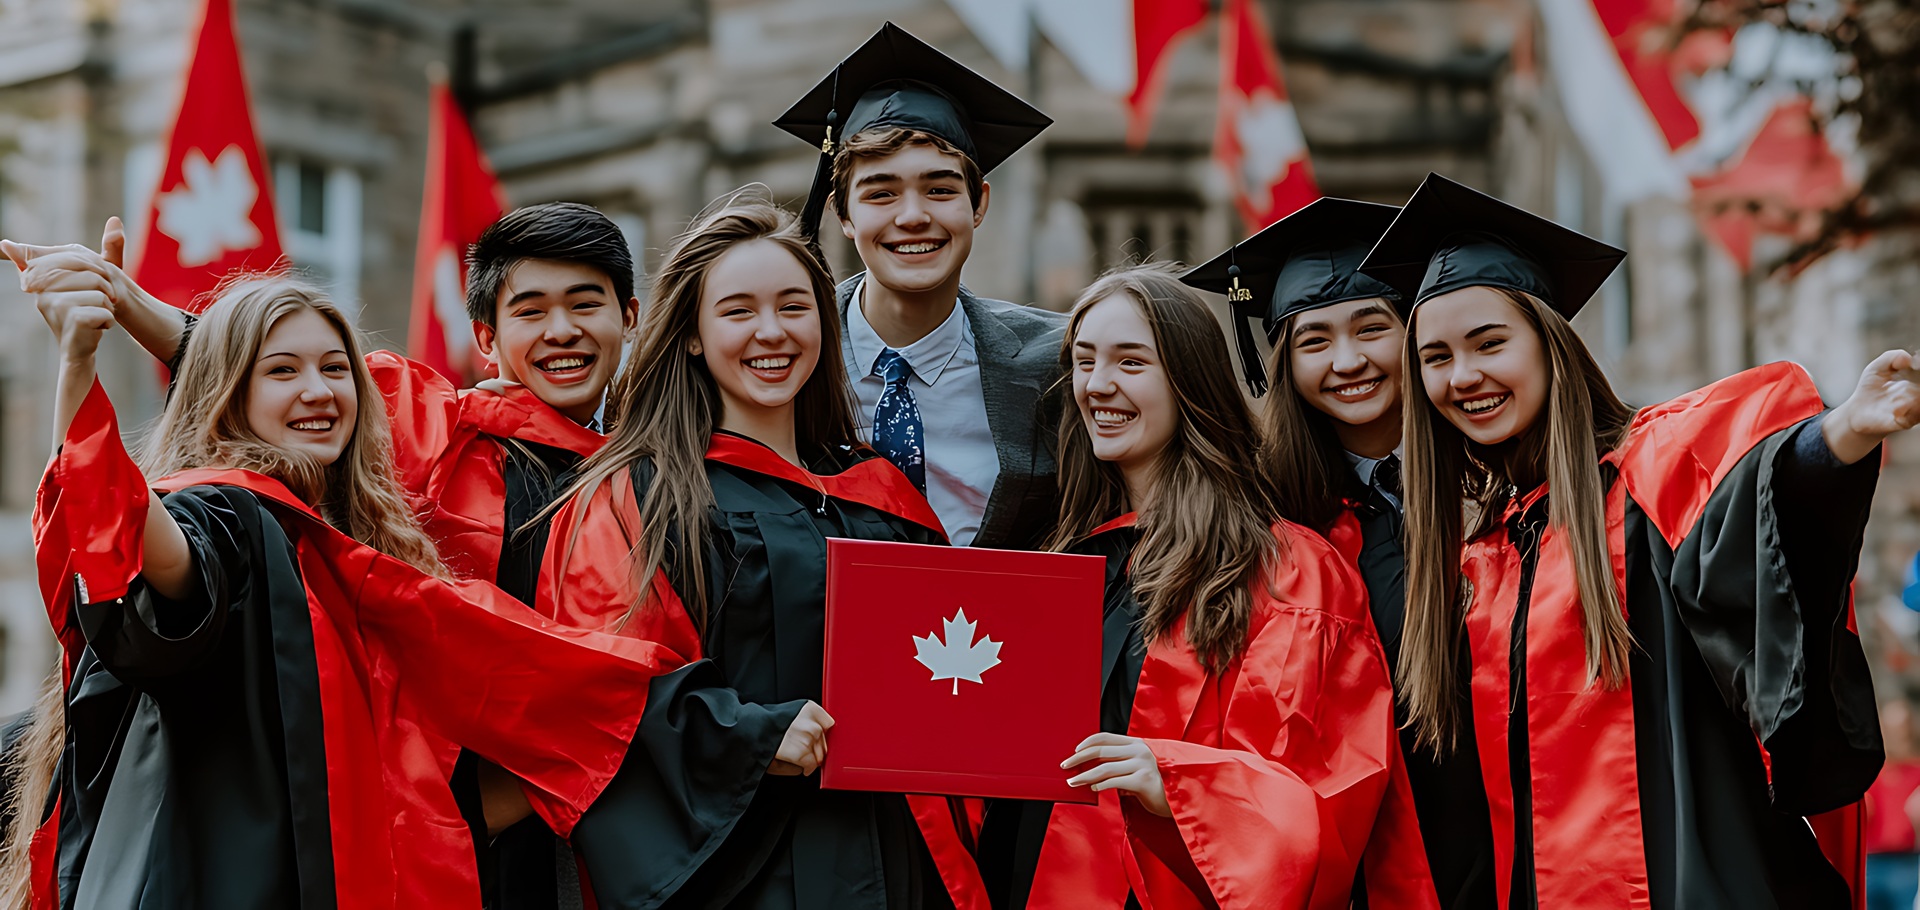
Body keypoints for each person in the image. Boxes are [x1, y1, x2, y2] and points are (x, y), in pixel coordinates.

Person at [6, 204, 641, 908]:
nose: (317, 390)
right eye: (284, 372)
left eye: (336, 369)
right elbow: (146, 543)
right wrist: (82, 364)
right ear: (486, 337)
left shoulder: (357, 530)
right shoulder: (234, 511)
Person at [1367, 172, 1917, 909]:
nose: (1465, 376)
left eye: (1489, 342)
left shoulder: (1653, 471)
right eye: (1436, 358)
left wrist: (1844, 432)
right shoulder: (1477, 561)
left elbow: (1758, 499)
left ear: (1549, 342)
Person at [537, 192, 982, 909]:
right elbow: (599, 686)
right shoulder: (641, 495)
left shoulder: (882, 494)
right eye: (738, 311)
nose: (770, 333)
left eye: (794, 307)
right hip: (749, 870)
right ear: (691, 334)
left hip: (901, 857)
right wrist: (747, 735)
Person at [972, 263, 1435, 909]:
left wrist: (1183, 785)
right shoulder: (1063, 560)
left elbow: (1324, 792)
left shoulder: (1283, 569)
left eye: (1131, 363)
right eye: (1084, 361)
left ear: (1189, 383)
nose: (1099, 385)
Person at [1180, 198, 1497, 908]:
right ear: (1283, 361)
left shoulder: (1497, 488)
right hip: (1354, 859)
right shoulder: (1266, 519)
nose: (1348, 361)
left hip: (1505, 829)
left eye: (1372, 328)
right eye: (1314, 340)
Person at [773, 22, 1066, 549]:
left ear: (979, 204)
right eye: (881, 194)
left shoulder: (1057, 364)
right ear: (843, 214)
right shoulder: (786, 351)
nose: (912, 217)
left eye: (938, 189)